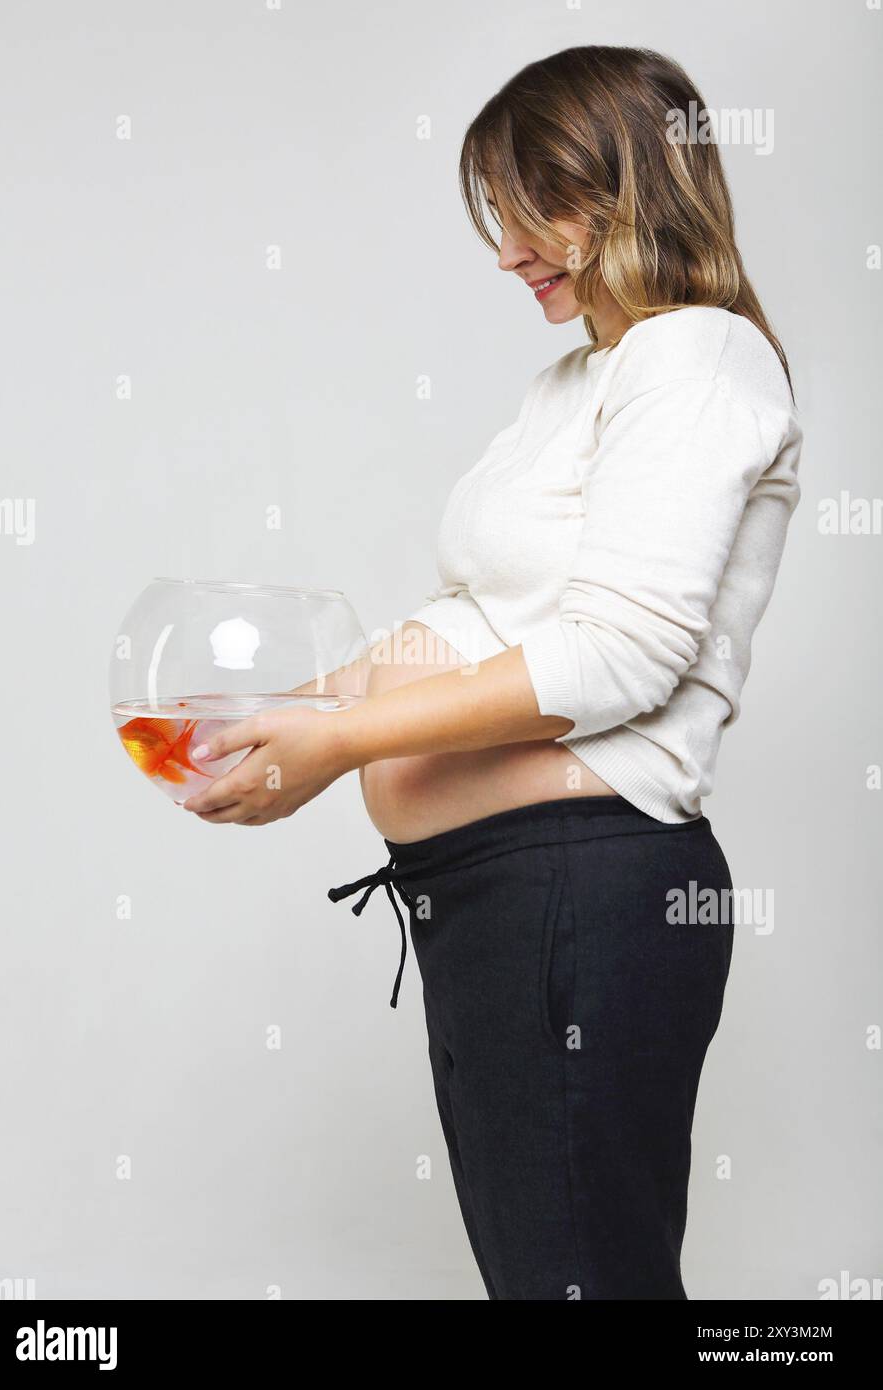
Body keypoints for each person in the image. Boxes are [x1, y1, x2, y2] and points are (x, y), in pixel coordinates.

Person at [182, 45, 803, 1300]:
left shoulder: (695, 359)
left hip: (585, 895)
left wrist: (343, 750)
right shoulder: (575, 380)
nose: (509, 250)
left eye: (532, 211)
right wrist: (300, 715)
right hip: (493, 902)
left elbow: (620, 651)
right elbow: (472, 609)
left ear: (624, 189)